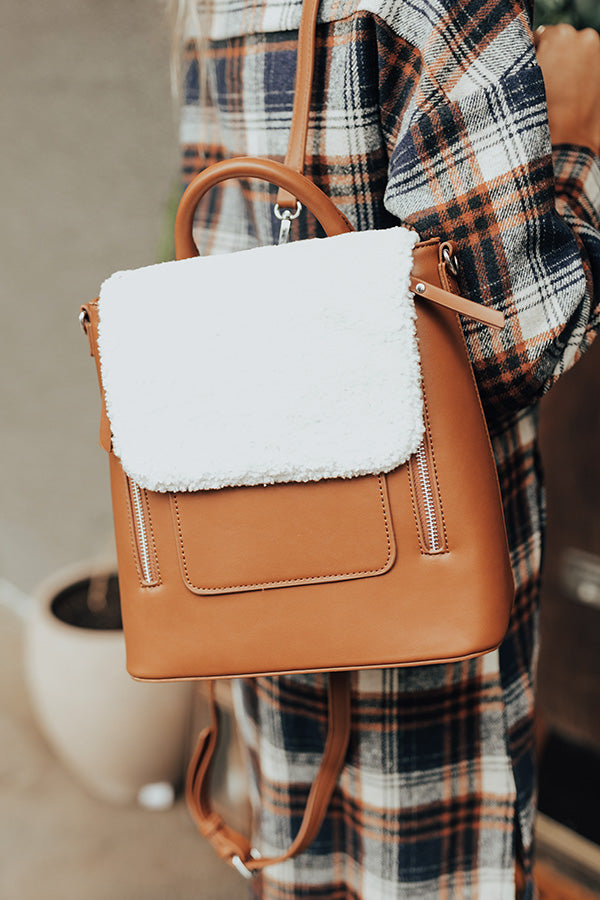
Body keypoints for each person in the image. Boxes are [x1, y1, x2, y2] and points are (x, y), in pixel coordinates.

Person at [178, 2, 600, 896]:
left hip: (258, 545)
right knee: (433, 861)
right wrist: (580, 141)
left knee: (310, 847)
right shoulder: (441, 13)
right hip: (422, 567)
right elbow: (520, 338)